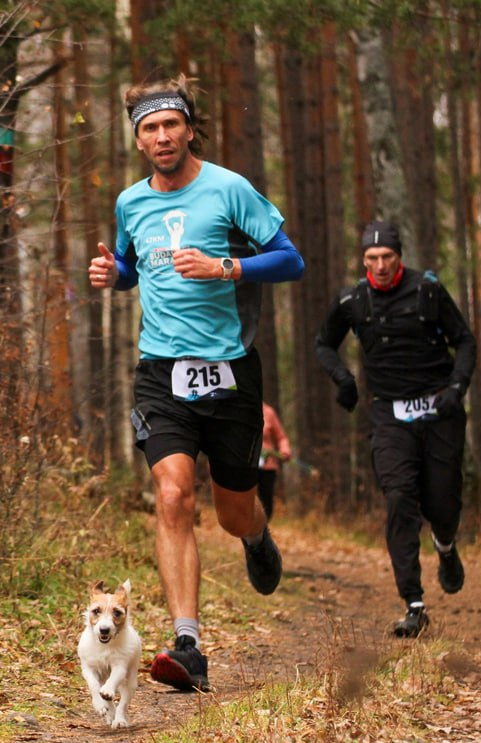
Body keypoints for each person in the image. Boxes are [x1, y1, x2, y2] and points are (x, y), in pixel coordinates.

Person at [87, 75, 305, 690]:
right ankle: (188, 644)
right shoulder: (132, 202)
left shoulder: (228, 189)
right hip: (161, 371)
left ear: (188, 128)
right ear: (138, 139)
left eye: (170, 125)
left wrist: (226, 266)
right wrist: (114, 272)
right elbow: (136, 267)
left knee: (233, 510)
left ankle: (257, 536)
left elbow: (291, 259)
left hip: (231, 371)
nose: (161, 136)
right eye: (149, 128)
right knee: (174, 495)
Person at [315, 221, 476, 638]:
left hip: (439, 408)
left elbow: (465, 341)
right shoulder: (353, 299)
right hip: (389, 415)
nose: (381, 266)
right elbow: (323, 343)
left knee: (442, 502)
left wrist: (457, 389)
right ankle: (414, 603)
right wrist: (344, 380)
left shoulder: (428, 290)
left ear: (399, 256)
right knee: (400, 497)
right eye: (372, 259)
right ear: (363, 261)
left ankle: (445, 545)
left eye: (387, 257)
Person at [258, 402, 292, 521]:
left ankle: (262, 530)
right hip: (244, 466)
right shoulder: (237, 409)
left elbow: (281, 438)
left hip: (267, 467)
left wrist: (285, 450)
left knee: (266, 503)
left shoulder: (268, 412)